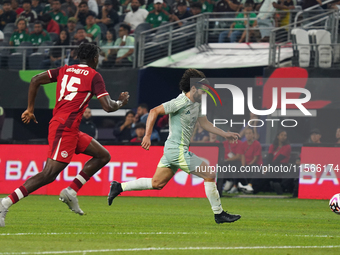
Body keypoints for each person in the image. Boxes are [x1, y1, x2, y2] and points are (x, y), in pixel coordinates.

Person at [0, 43, 130, 227]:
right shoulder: (94, 76)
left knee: (103, 156)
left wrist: (30, 109)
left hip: (69, 127)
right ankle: (4, 203)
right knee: (48, 174)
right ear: (94, 58)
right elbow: (108, 106)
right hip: (65, 128)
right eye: (98, 57)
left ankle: (71, 191)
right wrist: (121, 102)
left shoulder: (65, 70)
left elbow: (35, 79)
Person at [108, 70, 241, 224]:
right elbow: (154, 111)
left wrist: (225, 134)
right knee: (209, 174)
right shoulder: (180, 102)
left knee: (156, 184)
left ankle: (119, 187)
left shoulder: (197, 104)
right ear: (193, 89)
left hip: (172, 150)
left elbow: (205, 124)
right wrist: (147, 135)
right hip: (176, 150)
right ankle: (219, 214)